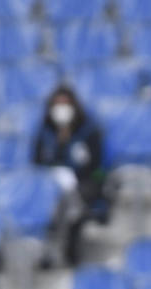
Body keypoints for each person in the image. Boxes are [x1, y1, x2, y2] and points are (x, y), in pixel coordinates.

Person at [33, 85, 106, 265]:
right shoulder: (45, 132)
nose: (62, 109)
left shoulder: (88, 130)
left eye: (65, 104)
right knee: (48, 201)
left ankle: (69, 251)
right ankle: (47, 252)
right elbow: (36, 162)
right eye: (57, 104)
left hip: (82, 182)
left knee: (72, 201)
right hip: (51, 184)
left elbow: (96, 166)